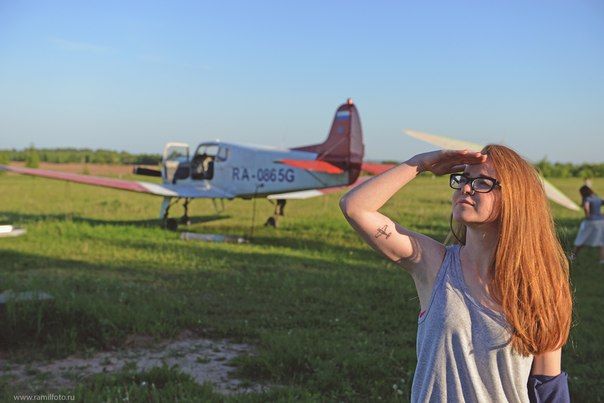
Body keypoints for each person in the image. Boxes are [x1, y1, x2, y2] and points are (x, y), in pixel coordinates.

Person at [340, 146, 572, 402]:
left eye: (482, 182)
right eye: (464, 179)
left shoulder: (540, 286)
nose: (466, 188)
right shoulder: (434, 264)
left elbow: (548, 387)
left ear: (516, 198)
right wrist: (420, 163)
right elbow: (355, 207)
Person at [571, 185, 604, 264]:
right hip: (601, 221)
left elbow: (586, 207)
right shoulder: (597, 198)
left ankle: (572, 256)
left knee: (580, 239)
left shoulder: (587, 199)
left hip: (590, 221)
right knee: (601, 241)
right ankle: (602, 259)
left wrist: (587, 215)